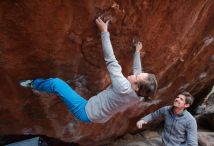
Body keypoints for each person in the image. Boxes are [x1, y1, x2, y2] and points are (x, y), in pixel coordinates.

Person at [20, 17, 157, 123]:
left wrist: (104, 31)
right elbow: (137, 70)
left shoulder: (123, 86)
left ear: (136, 87)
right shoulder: (140, 96)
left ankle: (34, 84)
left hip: (85, 111)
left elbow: (110, 59)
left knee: (56, 83)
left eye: (137, 76)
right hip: (101, 115)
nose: (136, 73)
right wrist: (137, 52)